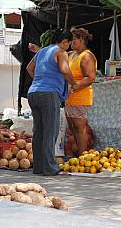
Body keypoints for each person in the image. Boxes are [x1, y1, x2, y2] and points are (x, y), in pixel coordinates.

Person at [26, 28, 78, 176]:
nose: (68, 46)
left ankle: (38, 167)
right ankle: (50, 167)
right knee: (50, 131)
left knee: (39, 131)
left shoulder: (42, 52)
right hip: (48, 95)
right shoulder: (60, 52)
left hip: (33, 93)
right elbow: (65, 70)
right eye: (68, 43)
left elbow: (29, 68)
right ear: (64, 42)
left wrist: (40, 79)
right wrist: (73, 83)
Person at [64, 28, 97, 156]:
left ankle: (83, 157)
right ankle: (78, 155)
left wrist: (75, 86)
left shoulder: (87, 56)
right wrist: (39, 51)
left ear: (81, 40)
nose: (71, 42)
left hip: (81, 97)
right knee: (73, 128)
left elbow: (90, 77)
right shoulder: (72, 54)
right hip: (70, 97)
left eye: (73, 39)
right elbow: (56, 55)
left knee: (80, 128)